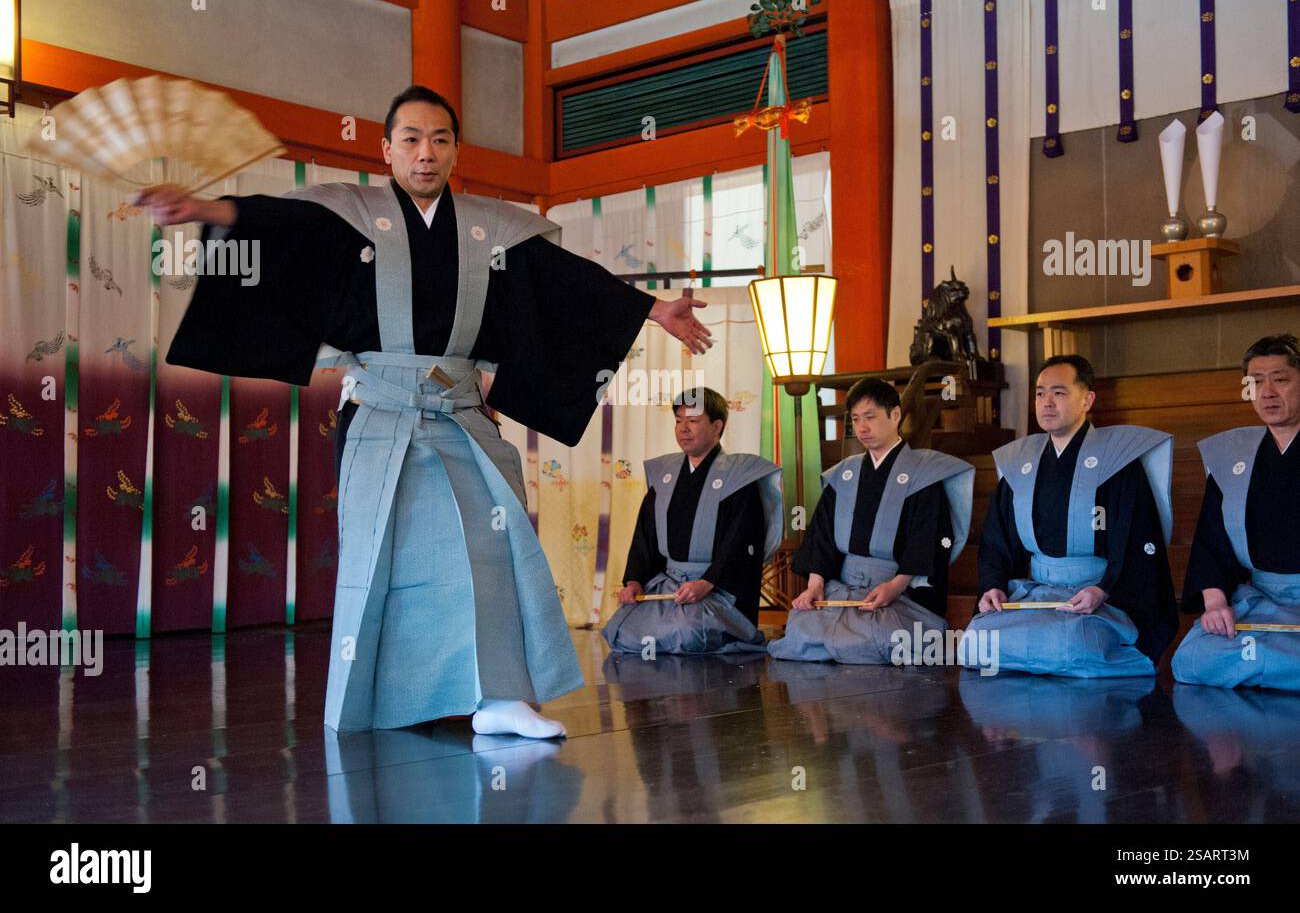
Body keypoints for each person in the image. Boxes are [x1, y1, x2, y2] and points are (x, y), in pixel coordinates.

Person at [140, 85, 713, 737]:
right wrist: (201, 209)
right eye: (410, 139)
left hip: (462, 413)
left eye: (439, 139)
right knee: (389, 557)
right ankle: (375, 702)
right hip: (381, 413)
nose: (425, 152)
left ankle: (500, 699)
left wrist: (650, 308)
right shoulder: (348, 212)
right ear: (386, 148)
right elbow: (276, 222)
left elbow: (565, 280)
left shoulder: (492, 228)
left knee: (494, 551)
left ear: (455, 150)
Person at [962, 354, 1177, 677]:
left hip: (1097, 596)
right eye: (1040, 393)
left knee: (1072, 643)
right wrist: (993, 586)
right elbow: (997, 538)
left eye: (1059, 393)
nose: (1047, 402)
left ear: (1087, 399)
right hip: (1038, 593)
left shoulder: (1117, 462)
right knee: (975, 642)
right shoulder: (1021, 462)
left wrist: (1102, 590)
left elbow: (1137, 540)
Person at [767, 377, 973, 664]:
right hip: (843, 590)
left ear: (895, 415)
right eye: (855, 419)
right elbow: (822, 536)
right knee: (801, 624)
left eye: (870, 417)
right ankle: (845, 643)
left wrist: (895, 586)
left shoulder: (924, 474)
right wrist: (815, 585)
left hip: (900, 594)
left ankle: (838, 645)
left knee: (885, 633)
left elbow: (927, 541)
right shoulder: (844, 475)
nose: (862, 427)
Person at [603, 387, 782, 654]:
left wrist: (707, 582)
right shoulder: (664, 474)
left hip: (716, 590)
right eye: (678, 420)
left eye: (694, 421)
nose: (683, 429)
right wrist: (635, 581)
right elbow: (646, 535)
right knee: (621, 629)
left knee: (687, 633)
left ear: (717, 426)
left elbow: (742, 541)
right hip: (670, 585)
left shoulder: (739, 477)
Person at [1172, 333, 1300, 690]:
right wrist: (1214, 605)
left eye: (1281, 379)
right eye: (1256, 382)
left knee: (1249, 657)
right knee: (1192, 661)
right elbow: (1211, 540)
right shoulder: (1233, 457)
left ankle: (1267, 667)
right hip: (1261, 600)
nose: (1268, 392)